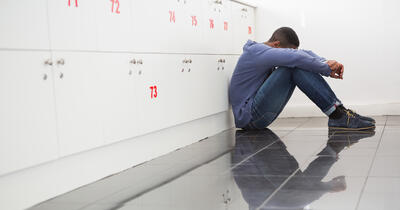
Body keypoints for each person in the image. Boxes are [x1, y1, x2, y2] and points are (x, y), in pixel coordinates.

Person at [228, 27, 376, 130]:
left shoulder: (265, 50)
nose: (288, 53)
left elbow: (304, 53)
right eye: (286, 50)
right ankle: (337, 115)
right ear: (276, 44)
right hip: (249, 118)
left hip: (257, 115)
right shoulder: (257, 52)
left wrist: (326, 62)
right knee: (292, 66)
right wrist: (326, 69)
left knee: (297, 62)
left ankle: (339, 113)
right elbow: (296, 57)